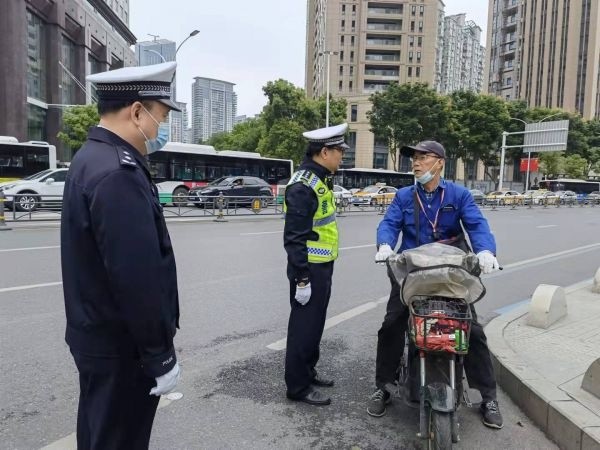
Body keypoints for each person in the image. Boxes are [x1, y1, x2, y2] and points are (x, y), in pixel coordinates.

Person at [61, 62, 182, 449]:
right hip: (122, 349)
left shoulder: (90, 157)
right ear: (136, 112)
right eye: (159, 117)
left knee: (99, 435)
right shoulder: (118, 172)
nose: (159, 128)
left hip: (97, 336)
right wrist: (159, 354)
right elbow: (137, 278)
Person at [366, 140, 504, 429]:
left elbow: (477, 225)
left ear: (440, 162)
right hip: (413, 273)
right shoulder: (404, 196)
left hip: (451, 275)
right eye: (413, 158)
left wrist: (486, 252)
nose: (415, 163)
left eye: (423, 157)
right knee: (392, 324)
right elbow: (389, 224)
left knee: (472, 330)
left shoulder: (459, 195)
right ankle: (384, 386)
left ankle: (487, 396)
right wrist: (385, 246)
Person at [283, 123, 348, 406]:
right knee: (303, 328)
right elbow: (294, 238)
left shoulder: (319, 179)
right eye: (339, 152)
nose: (341, 157)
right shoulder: (302, 185)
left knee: (315, 325)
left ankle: (308, 372)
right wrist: (302, 279)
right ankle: (297, 387)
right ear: (324, 152)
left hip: (321, 265)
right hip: (308, 269)